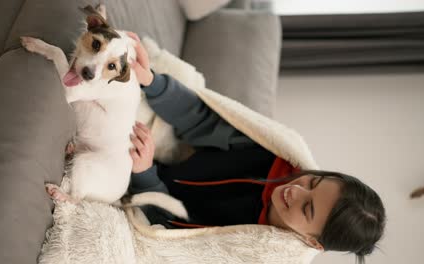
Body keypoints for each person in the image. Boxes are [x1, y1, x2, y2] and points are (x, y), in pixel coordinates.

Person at [126, 32, 386, 264]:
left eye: (307, 208)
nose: (295, 191)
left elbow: (169, 239)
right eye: (313, 182)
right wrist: (151, 82)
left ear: (312, 242)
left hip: (145, 196)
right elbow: (201, 118)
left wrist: (144, 174)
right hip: (159, 161)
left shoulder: (254, 252)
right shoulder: (273, 157)